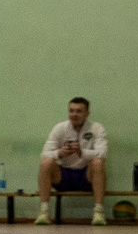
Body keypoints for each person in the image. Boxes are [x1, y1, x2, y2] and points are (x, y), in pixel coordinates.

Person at [38, 97, 110, 226]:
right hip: (63, 176)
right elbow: (44, 153)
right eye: (71, 111)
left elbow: (102, 153)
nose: (74, 114)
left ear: (87, 113)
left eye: (78, 111)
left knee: (98, 162)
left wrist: (82, 153)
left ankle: (98, 212)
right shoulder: (60, 128)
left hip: (86, 176)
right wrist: (60, 153)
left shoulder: (96, 128)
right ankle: (44, 212)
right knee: (46, 162)